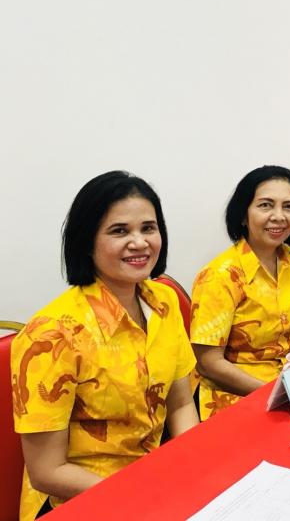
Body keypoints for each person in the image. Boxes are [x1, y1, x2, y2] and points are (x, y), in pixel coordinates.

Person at [10, 171, 198, 521]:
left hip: (156, 479)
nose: (139, 242)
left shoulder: (164, 302)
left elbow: (182, 403)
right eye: (119, 231)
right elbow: (47, 472)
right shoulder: (53, 334)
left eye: (148, 228)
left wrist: (191, 465)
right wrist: (141, 493)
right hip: (79, 500)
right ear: (87, 241)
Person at [190, 166, 290, 420]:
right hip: (236, 396)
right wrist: (275, 393)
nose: (278, 216)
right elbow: (208, 363)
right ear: (244, 215)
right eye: (265, 205)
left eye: (289, 207)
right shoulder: (220, 275)